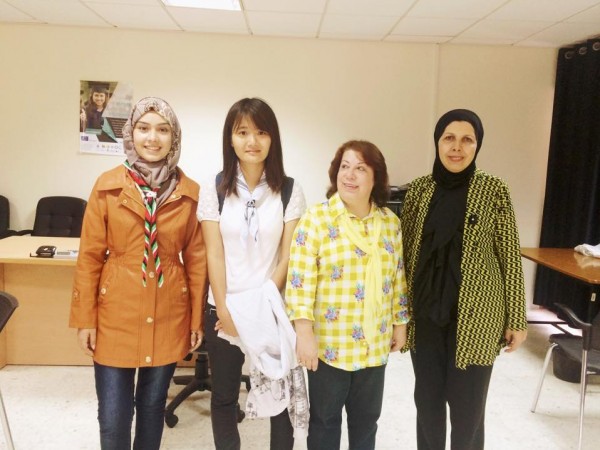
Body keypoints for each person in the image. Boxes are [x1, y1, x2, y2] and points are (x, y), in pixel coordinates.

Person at [69, 96, 207, 450]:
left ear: (174, 137)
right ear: (130, 133)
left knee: (151, 409)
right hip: (116, 313)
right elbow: (89, 257)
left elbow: (197, 262)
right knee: (113, 416)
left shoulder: (190, 193)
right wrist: (85, 319)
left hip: (168, 313)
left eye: (162, 130)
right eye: (144, 128)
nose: (152, 138)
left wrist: (196, 320)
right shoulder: (107, 186)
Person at [400, 109, 528, 450]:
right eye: (449, 138)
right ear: (437, 142)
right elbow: (405, 254)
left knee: (468, 410)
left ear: (477, 145)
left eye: (467, 139)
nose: (457, 147)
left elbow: (509, 257)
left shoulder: (493, 189)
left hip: (478, 319)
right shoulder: (419, 190)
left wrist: (517, 318)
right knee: (427, 404)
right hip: (426, 316)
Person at [197, 97, 307, 450]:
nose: (252, 141)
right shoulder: (214, 188)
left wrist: (260, 304)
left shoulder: (289, 190)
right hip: (224, 309)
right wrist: (225, 310)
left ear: (273, 138)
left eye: (261, 132)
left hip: (270, 309)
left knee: (279, 397)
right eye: (242, 132)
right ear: (230, 139)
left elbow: (288, 255)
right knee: (224, 398)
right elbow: (213, 253)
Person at [285, 140, 409, 450]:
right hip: (330, 344)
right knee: (325, 421)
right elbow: (299, 281)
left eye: (360, 168)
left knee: (367, 421)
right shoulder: (317, 219)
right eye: (345, 167)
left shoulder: (390, 224)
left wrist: (400, 323)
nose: (350, 175)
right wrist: (304, 333)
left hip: (374, 342)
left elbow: (397, 277)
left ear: (375, 178)